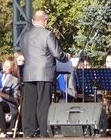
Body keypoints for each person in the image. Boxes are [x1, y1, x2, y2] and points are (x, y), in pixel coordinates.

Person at [20, 10, 70, 138]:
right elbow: (57, 54)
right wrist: (67, 57)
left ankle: (28, 132)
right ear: (45, 21)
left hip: (28, 73)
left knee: (29, 104)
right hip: (44, 73)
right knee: (43, 103)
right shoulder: (48, 34)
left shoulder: (24, 35)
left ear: (32, 21)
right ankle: (44, 132)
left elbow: (24, 53)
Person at [0, 56, 21, 138]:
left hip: (8, 104)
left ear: (12, 69)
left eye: (7, 67)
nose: (4, 68)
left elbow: (15, 99)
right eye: (3, 66)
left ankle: (3, 132)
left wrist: (0, 93)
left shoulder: (15, 80)